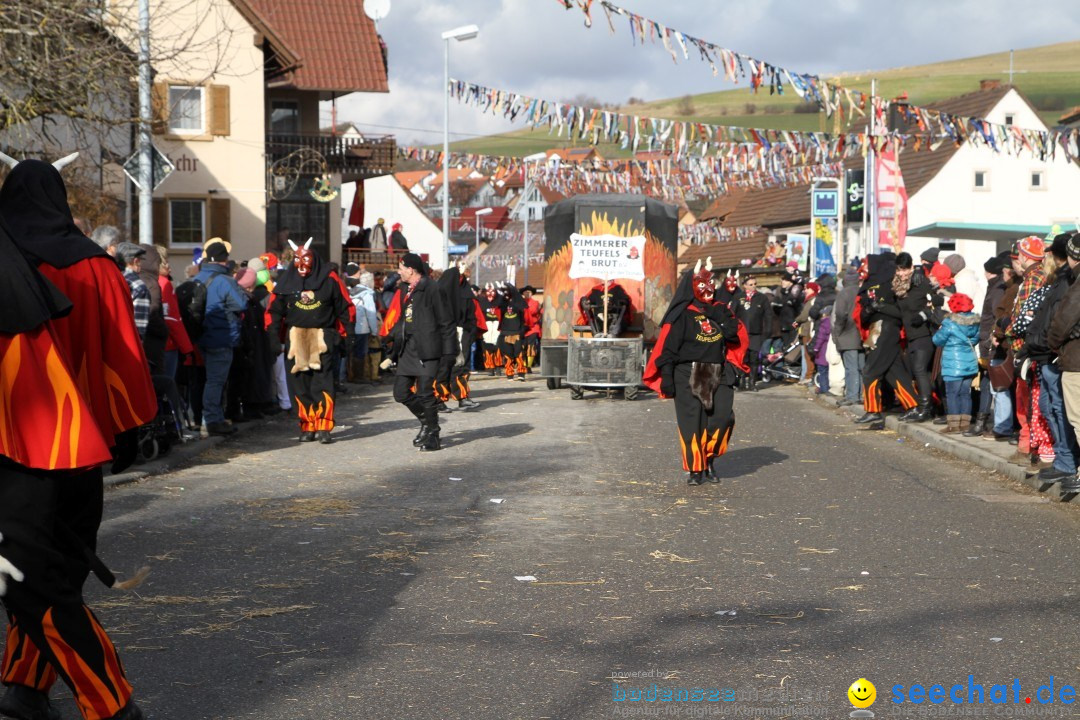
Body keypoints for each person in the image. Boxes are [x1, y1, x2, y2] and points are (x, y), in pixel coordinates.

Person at [0, 157, 156, 720]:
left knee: (36, 574)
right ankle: (24, 686)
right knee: (54, 569)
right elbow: (122, 356)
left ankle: (58, 693)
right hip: (82, 440)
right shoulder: (96, 265)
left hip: (26, 429)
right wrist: (128, 427)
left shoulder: (10, 255)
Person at [643, 259, 747, 486]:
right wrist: (668, 378)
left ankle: (709, 458)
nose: (708, 290)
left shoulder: (721, 310)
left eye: (710, 284)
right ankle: (696, 469)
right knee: (692, 422)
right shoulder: (681, 315)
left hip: (716, 371)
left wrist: (719, 316)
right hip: (686, 372)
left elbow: (734, 335)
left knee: (722, 418)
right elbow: (668, 350)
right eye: (703, 284)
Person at [266, 240, 352, 444]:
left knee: (323, 384)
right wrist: (273, 338)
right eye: (297, 259)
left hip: (324, 338)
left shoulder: (330, 280)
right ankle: (307, 425)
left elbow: (345, 309)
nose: (302, 264)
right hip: (296, 340)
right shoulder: (286, 282)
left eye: (306, 259)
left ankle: (323, 426)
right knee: (300, 386)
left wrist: (347, 337)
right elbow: (274, 312)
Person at [386, 253, 455, 451]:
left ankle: (433, 435)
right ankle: (427, 422)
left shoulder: (432, 288)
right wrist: (391, 336)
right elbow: (404, 318)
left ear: (411, 269)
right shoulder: (405, 289)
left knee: (425, 392)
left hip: (428, 348)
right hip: (408, 348)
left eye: (401, 268)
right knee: (400, 393)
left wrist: (449, 353)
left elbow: (446, 321)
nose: (398, 272)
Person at [854, 253, 919, 429]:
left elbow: (902, 312)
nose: (864, 268)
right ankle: (913, 405)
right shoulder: (869, 285)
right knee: (894, 372)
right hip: (877, 328)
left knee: (870, 371)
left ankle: (874, 411)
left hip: (888, 329)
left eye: (867, 264)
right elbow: (863, 315)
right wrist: (869, 310)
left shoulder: (892, 283)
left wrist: (881, 307)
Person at [193, 241, 248, 436]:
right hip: (221, 336)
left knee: (205, 380)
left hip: (200, 337)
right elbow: (241, 304)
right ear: (225, 260)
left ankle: (204, 418)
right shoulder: (225, 281)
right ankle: (212, 420)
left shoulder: (197, 278)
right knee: (216, 381)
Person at [1046, 233, 1080, 493]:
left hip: (1077, 360)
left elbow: (1063, 320)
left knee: (1078, 418)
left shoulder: (1077, 284)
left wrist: (1054, 343)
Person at [893, 253, 935, 423]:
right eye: (899, 270)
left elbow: (936, 300)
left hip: (923, 333)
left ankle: (925, 408)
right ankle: (919, 406)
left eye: (905, 269)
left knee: (919, 369)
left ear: (911, 267)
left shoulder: (920, 281)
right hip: (909, 334)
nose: (901, 273)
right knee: (913, 371)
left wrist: (924, 315)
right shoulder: (899, 285)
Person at [932, 293, 980, 433]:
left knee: (952, 393)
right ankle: (965, 424)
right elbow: (976, 340)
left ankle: (953, 425)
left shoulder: (949, 323)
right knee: (965, 393)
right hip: (969, 362)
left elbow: (937, 340)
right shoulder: (975, 322)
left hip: (953, 363)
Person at [831, 263, 865, 407]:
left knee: (851, 367)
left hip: (847, 334)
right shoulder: (862, 291)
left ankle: (852, 396)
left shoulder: (843, 294)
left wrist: (837, 333)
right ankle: (864, 395)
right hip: (862, 334)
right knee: (862, 367)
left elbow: (840, 315)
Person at [735, 274, 771, 391]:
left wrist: (767, 331)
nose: (754, 286)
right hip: (741, 333)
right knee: (742, 358)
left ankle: (752, 383)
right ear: (745, 286)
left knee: (754, 359)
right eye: (751, 285)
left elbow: (768, 315)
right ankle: (741, 382)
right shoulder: (738, 297)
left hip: (756, 333)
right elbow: (731, 314)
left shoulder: (762, 298)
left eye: (755, 284)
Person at [350, 272, 380, 384]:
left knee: (352, 351)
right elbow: (371, 314)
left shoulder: (351, 291)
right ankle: (359, 376)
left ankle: (351, 374)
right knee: (361, 352)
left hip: (351, 326)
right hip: (362, 328)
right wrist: (374, 331)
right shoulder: (367, 294)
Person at [497, 284, 529, 381]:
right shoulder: (503, 303)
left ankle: (521, 373)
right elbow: (498, 309)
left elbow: (526, 318)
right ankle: (509, 374)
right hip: (506, 333)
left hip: (517, 333)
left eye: (508, 291)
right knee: (508, 354)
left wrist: (522, 330)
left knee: (518, 354)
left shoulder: (519, 303)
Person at [521, 285, 542, 373]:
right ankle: (523, 364)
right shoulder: (520, 302)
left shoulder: (535, 302)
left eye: (529, 292)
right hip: (522, 328)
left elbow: (532, 311)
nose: (527, 294)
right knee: (523, 347)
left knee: (531, 347)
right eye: (525, 292)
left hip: (532, 328)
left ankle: (528, 366)